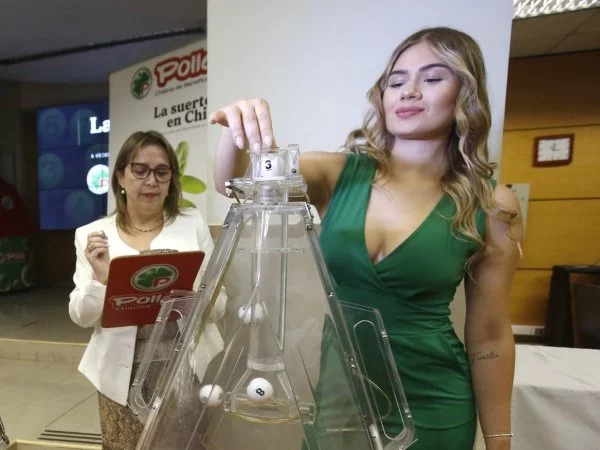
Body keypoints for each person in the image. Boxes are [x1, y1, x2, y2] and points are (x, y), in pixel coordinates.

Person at [211, 27, 521, 450]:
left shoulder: (490, 204)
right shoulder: (337, 175)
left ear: (465, 95)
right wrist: (237, 127)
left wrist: (499, 440)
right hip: (342, 397)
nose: (409, 91)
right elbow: (236, 182)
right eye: (396, 81)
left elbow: (490, 334)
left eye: (432, 78)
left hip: (435, 403)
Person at [69, 130, 225, 450]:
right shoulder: (93, 236)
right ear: (120, 177)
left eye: (161, 171)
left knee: (186, 445)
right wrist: (102, 280)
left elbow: (220, 304)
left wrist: (194, 294)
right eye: (140, 170)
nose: (151, 180)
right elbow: (81, 316)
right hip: (119, 376)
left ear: (171, 180)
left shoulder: (191, 224)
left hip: (187, 368)